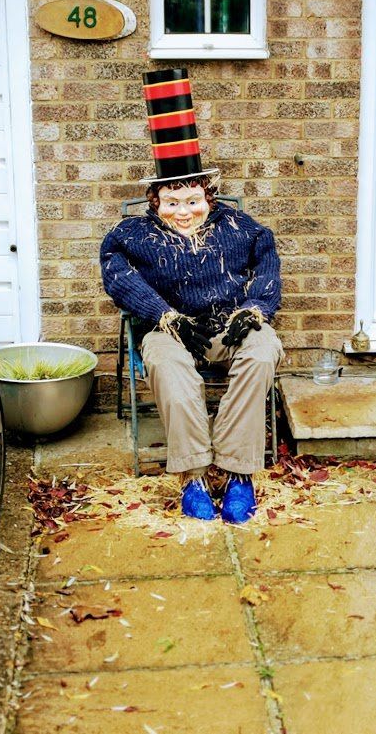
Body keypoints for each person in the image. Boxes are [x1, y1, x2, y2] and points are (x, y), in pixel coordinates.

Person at [100, 68, 283, 523]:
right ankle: (195, 475)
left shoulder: (241, 227)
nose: (184, 211)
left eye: (193, 200)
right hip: (171, 328)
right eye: (171, 202)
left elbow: (268, 264)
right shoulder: (132, 234)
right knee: (166, 365)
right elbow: (117, 276)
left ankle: (239, 473)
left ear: (210, 197)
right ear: (155, 202)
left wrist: (255, 310)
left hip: (229, 323)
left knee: (263, 352)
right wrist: (163, 315)